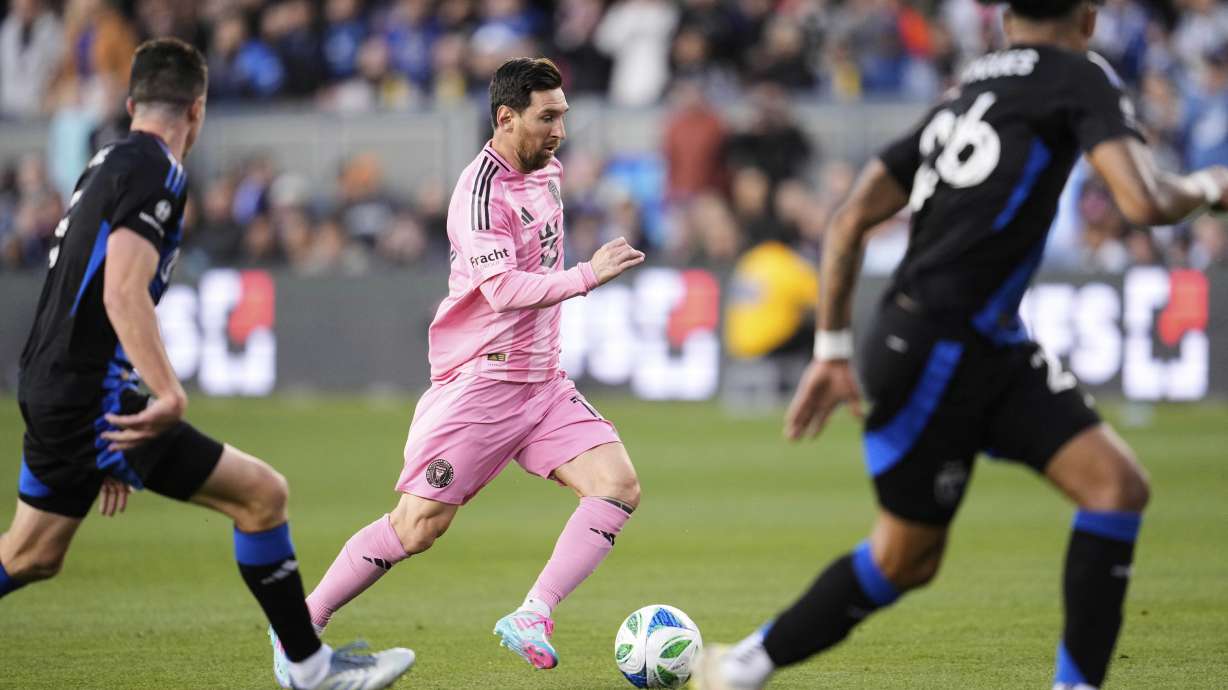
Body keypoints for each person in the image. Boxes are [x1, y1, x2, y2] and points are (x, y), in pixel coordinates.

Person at [694, 0, 1228, 687]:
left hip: (976, 342)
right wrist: (1212, 185)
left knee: (1116, 487)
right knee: (904, 559)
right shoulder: (1078, 74)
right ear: (1089, 19)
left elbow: (851, 216)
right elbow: (1147, 201)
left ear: (1007, 21)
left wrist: (831, 347)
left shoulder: (970, 90)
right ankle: (745, 665)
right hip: (938, 346)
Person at [0, 38, 415, 690]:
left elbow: (85, 292)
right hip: (86, 397)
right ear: (198, 109)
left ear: (132, 102)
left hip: (54, 385)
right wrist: (163, 392)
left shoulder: (104, 162)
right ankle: (310, 668)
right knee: (263, 496)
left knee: (32, 554)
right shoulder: (159, 172)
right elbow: (121, 290)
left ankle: (309, 666)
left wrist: (96, 423)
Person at [271, 56, 646, 680]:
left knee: (618, 486)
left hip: (543, 383)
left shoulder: (547, 171)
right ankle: (300, 629)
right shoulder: (478, 193)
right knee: (416, 528)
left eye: (563, 116)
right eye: (547, 117)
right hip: (482, 384)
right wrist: (587, 276)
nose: (560, 131)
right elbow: (500, 289)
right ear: (506, 118)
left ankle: (533, 613)